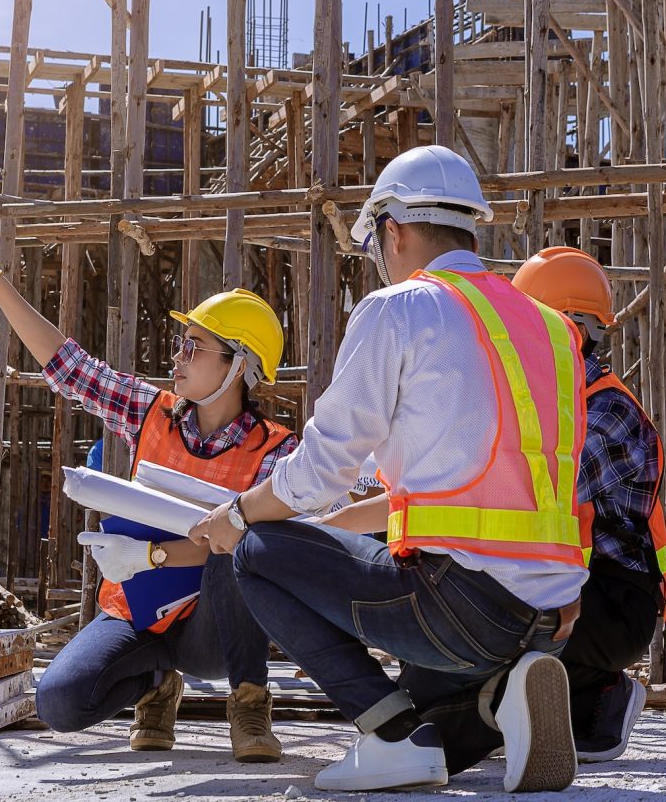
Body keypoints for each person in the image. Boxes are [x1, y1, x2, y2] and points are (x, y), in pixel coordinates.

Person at [188, 145, 590, 793]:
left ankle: (390, 736)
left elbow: (319, 468)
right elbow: (485, 466)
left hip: (457, 607)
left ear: (394, 231)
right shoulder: (548, 328)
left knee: (260, 551)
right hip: (551, 611)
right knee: (440, 734)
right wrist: (347, 515)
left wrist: (238, 511)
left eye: (376, 241)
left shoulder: (397, 308)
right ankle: (501, 695)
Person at [0, 218, 294, 763]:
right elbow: (71, 368)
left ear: (238, 365)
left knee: (241, 539)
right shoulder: (152, 413)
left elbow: (251, 543)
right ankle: (156, 684)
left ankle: (250, 702)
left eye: (194, 347)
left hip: (214, 631)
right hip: (139, 614)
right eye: (180, 345)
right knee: (60, 702)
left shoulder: (274, 452)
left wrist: (150, 555)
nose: (177, 358)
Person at [409, 246, 666, 774]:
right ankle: (580, 695)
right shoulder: (544, 406)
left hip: (610, 601)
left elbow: (532, 493)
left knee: (475, 632)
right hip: (562, 582)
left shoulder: (606, 411)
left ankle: (591, 690)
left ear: (569, 330)